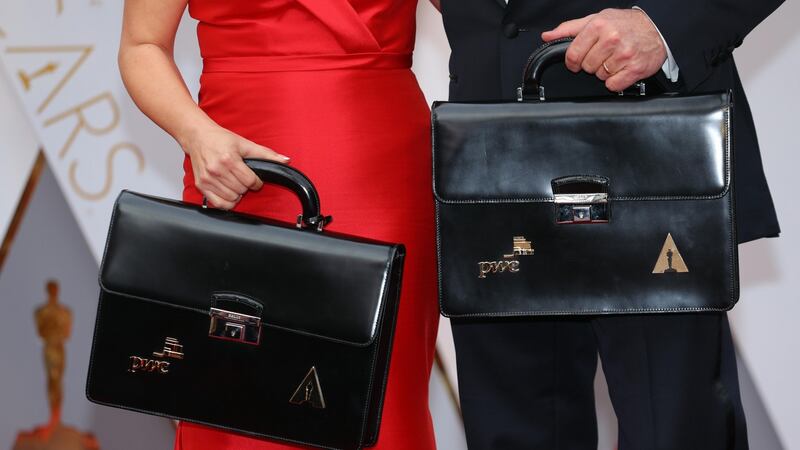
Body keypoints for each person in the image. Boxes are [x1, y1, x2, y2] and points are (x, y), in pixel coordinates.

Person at [438, 1, 783, 449]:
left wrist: (663, 27)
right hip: (488, 156)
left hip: (650, 157)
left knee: (675, 429)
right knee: (512, 431)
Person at [117, 1, 440, 448]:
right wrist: (196, 134)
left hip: (379, 171)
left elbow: (488, 13)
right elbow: (142, 44)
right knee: (228, 388)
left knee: (375, 395)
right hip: (236, 168)